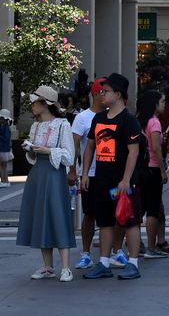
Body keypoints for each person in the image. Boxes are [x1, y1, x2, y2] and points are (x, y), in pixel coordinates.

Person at [81, 74, 144, 280]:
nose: (102, 94)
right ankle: (104, 263)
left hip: (122, 182)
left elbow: (133, 152)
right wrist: (85, 174)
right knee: (105, 222)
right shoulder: (98, 119)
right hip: (101, 179)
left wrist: (126, 180)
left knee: (129, 221)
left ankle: (133, 263)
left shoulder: (129, 120)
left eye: (106, 91)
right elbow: (90, 147)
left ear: (118, 95)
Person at [17, 86, 75, 282]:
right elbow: (33, 156)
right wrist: (31, 149)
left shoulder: (62, 125)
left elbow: (69, 156)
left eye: (34, 102)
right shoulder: (35, 126)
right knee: (40, 216)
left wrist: (48, 151)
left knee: (57, 214)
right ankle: (48, 266)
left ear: (45, 104)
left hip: (54, 174)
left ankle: (66, 267)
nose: (32, 106)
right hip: (38, 174)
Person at [69, 78, 105, 268]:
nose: (107, 95)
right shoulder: (82, 118)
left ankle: (114, 252)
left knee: (114, 214)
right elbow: (73, 146)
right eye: (104, 91)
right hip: (89, 175)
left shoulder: (113, 115)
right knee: (89, 214)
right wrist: (73, 171)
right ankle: (86, 253)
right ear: (97, 94)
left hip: (111, 175)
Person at [136, 90, 168, 259]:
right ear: (154, 104)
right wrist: (162, 170)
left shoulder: (140, 121)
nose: (164, 104)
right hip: (153, 168)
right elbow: (155, 148)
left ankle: (136, 243)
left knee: (140, 207)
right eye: (162, 102)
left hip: (140, 168)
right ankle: (150, 247)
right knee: (153, 210)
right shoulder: (154, 122)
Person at [0, 108, 12, 187]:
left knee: (1, 165)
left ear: (4, 119)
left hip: (3, 149)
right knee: (4, 166)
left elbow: (6, 138)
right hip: (5, 149)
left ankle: (4, 181)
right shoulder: (5, 126)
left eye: (0, 118)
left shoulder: (5, 127)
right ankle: (6, 181)